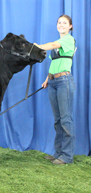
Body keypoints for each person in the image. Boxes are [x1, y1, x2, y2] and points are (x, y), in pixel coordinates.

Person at [34, 14, 76, 165]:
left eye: (64, 23)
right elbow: (54, 64)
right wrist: (47, 79)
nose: (61, 25)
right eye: (59, 22)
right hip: (53, 82)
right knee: (58, 120)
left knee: (66, 120)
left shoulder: (68, 40)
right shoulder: (59, 42)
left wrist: (37, 46)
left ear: (70, 26)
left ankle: (67, 156)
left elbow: (52, 45)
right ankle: (58, 153)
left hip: (64, 81)